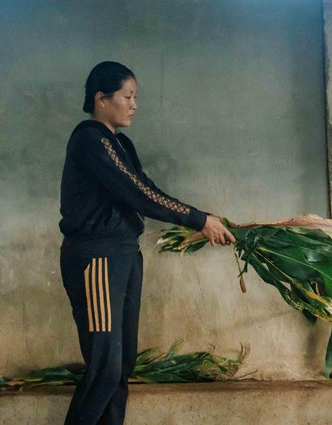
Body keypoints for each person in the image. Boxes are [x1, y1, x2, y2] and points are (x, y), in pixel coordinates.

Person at [58, 61, 235, 425]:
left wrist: (203, 218)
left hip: (124, 255)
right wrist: (197, 218)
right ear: (101, 98)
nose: (134, 104)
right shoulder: (91, 139)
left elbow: (147, 189)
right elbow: (138, 194)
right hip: (97, 258)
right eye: (128, 96)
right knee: (104, 368)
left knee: (122, 365)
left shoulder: (119, 143)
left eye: (135, 97)